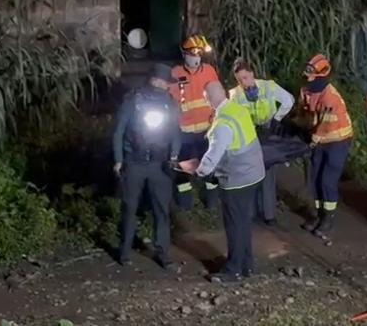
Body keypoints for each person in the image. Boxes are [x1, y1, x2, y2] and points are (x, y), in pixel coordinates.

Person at [183, 81, 265, 283]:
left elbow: (212, 158)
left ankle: (233, 270)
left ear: (207, 99)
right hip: (254, 174)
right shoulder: (237, 109)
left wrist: (197, 170)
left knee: (234, 225)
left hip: (236, 179)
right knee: (244, 222)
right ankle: (246, 265)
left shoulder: (223, 124)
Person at [112, 63, 181, 270]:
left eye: (166, 82)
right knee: (130, 208)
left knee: (162, 210)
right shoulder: (134, 99)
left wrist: (174, 156)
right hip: (134, 163)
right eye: (162, 80)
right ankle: (124, 252)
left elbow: (176, 132)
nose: (165, 85)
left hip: (160, 165)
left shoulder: (170, 103)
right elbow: (119, 131)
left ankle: (163, 253)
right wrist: (118, 159)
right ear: (153, 79)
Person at [229, 58, 295, 226]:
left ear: (252, 74)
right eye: (239, 80)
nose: (243, 83)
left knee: (268, 173)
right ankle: (251, 213)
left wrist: (277, 119)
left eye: (245, 78)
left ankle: (268, 214)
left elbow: (289, 100)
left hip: (268, 132)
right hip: (250, 134)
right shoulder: (234, 94)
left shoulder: (268, 86)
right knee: (250, 173)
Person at [298, 54, 353, 238]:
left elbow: (326, 124)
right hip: (321, 140)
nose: (306, 75)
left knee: (328, 180)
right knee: (315, 179)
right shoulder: (308, 90)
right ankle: (319, 215)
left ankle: (328, 219)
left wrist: (313, 139)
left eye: (310, 72)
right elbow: (306, 113)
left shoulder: (330, 96)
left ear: (320, 74)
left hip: (337, 140)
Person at [170, 34, 221, 210]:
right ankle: (185, 205)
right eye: (193, 54)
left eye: (199, 54)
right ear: (184, 54)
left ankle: (212, 202)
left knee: (210, 166)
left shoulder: (209, 71)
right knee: (183, 168)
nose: (196, 57)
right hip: (183, 131)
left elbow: (217, 95)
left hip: (207, 130)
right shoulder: (175, 74)